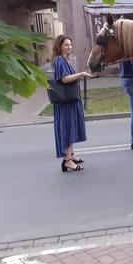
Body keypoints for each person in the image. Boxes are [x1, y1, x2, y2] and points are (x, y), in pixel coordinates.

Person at [51, 35, 93, 172]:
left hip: (70, 100)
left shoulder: (63, 60)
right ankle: (67, 161)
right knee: (69, 129)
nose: (69, 47)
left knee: (72, 127)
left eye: (70, 45)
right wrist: (81, 74)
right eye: (66, 45)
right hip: (66, 102)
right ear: (59, 46)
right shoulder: (59, 60)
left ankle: (71, 155)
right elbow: (63, 79)